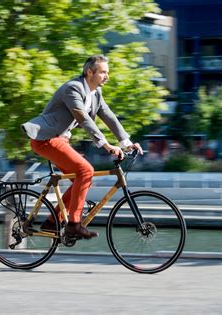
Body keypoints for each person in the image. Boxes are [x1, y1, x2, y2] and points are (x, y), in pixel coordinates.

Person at [21, 55, 143, 240]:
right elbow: (82, 118)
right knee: (86, 170)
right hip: (46, 139)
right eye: (103, 72)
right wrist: (105, 144)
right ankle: (73, 225)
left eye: (107, 72)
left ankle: (53, 222)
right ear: (89, 72)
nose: (107, 76)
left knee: (85, 178)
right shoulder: (73, 88)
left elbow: (108, 115)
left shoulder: (95, 94)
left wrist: (126, 143)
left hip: (61, 141)